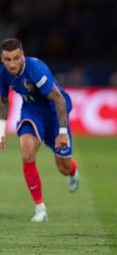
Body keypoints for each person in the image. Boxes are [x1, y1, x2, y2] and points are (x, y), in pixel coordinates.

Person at [0, 38, 79, 222]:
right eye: (7, 60)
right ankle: (40, 210)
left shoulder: (36, 69)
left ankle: (73, 171)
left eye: (16, 58)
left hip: (54, 112)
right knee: (27, 154)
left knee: (63, 167)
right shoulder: (3, 73)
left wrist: (62, 132)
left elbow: (58, 99)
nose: (12, 64)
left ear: (23, 56)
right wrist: (1, 130)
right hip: (32, 111)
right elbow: (3, 101)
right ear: (2, 59)